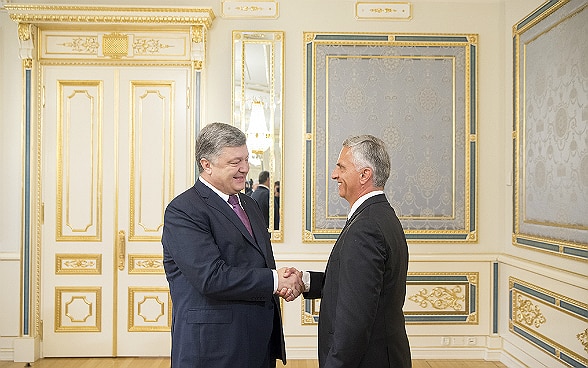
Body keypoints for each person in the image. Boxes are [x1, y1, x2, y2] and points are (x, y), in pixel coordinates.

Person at [162, 122, 304, 368]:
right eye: (235, 162)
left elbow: (256, 263)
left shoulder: (250, 205)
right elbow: (210, 277)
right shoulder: (184, 210)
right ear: (206, 164)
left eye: (246, 159)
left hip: (257, 341)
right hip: (212, 347)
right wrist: (275, 280)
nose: (245, 169)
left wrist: (281, 282)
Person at [297, 134, 412, 368]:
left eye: (341, 167)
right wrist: (306, 282)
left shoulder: (366, 227)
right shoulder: (381, 215)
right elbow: (356, 286)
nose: (334, 175)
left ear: (364, 175)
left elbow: (355, 321)